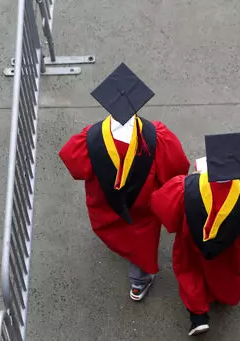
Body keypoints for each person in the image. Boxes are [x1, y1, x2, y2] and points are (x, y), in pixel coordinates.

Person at [59, 63, 190, 301]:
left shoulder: (89, 138)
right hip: (142, 212)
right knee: (141, 246)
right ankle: (139, 283)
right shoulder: (157, 137)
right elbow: (177, 170)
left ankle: (123, 251)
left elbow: (74, 165)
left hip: (105, 207)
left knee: (117, 234)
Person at [150, 132, 240, 336]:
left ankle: (198, 317)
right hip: (226, 251)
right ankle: (224, 297)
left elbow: (160, 206)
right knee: (224, 273)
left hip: (188, 243)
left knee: (189, 272)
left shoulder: (185, 187)